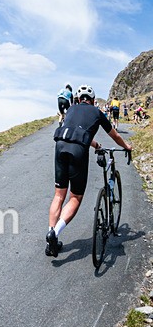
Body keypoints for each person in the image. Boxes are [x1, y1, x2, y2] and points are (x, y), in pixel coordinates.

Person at [46, 85, 133, 257]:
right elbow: (114, 135)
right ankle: (55, 233)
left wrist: (95, 145)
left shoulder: (71, 109)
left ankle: (51, 239)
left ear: (78, 99)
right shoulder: (97, 112)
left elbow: (74, 131)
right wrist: (127, 146)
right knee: (75, 198)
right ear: (93, 100)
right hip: (78, 151)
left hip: (60, 145)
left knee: (58, 195)